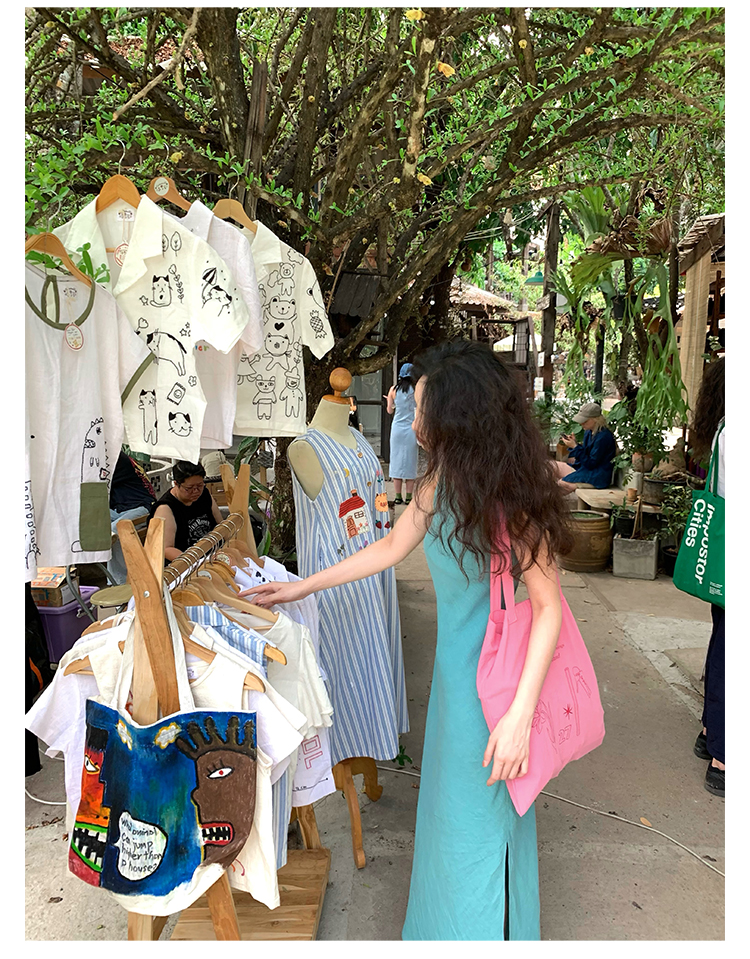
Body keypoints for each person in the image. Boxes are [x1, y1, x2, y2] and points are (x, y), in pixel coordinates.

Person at [242, 340, 572, 940]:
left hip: (498, 690)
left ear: (459, 415)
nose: (412, 420)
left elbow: (548, 609)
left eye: (422, 408)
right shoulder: (442, 479)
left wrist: (520, 718)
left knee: (483, 818)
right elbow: (390, 547)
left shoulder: (513, 497)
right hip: (453, 686)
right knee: (450, 813)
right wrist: (301, 586)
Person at [689, 357, 725, 797]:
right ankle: (723, 752)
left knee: (723, 641)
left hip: (723, 562)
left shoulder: (722, 429)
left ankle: (710, 732)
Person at [150, 460, 223, 562]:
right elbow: (166, 549)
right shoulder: (165, 508)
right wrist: (198, 562)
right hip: (186, 562)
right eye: (189, 488)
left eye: (200, 485)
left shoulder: (204, 495)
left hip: (212, 553)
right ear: (176, 484)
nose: (196, 491)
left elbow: (221, 525)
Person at [555, 401, 616, 493]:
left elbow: (591, 463)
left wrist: (575, 447)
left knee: (561, 484)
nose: (581, 423)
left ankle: (547, 500)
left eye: (585, 421)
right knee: (551, 465)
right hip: (585, 469)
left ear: (596, 419)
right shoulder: (589, 431)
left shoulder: (603, 436)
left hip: (597, 476)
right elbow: (586, 454)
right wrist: (575, 443)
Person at [385, 362, 419, 505]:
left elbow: (389, 410)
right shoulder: (416, 390)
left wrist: (390, 402)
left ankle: (398, 496)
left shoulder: (393, 390)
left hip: (397, 429)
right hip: (411, 429)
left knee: (396, 461)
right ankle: (409, 497)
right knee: (411, 462)